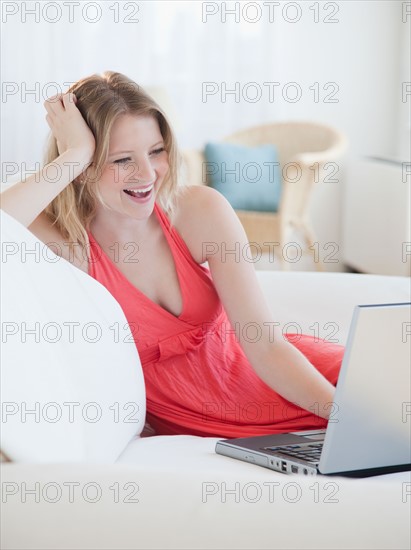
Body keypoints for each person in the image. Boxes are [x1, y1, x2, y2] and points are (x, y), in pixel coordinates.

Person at [1, 71, 345, 437]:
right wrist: (75, 153)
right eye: (122, 160)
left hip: (302, 383)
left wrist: (345, 419)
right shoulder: (68, 243)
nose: (148, 173)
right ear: (83, 170)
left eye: (156, 151)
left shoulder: (198, 210)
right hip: (216, 423)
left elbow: (266, 345)